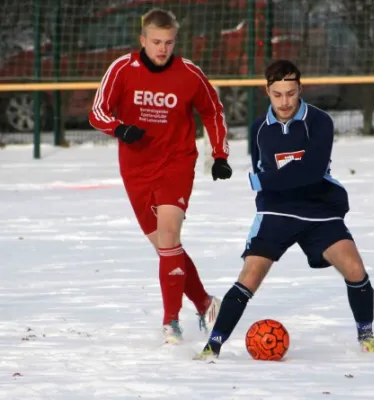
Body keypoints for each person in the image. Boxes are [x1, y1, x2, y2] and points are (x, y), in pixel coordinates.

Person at [194, 59, 374, 360]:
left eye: (291, 94)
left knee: (355, 268)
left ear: (300, 89)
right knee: (249, 276)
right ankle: (212, 346)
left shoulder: (320, 121)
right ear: (267, 91)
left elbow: (311, 171)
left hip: (319, 210)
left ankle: (366, 336)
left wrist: (264, 180)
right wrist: (270, 185)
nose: (285, 102)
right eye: (278, 94)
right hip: (276, 212)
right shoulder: (258, 129)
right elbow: (272, 179)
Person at [88, 8, 233, 344]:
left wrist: (220, 154)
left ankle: (171, 322)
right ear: (143, 40)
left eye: (168, 42)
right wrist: (119, 129)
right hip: (136, 170)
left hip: (176, 163)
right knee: (167, 248)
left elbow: (212, 111)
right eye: (156, 41)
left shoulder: (189, 74)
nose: (162, 48)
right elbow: (97, 113)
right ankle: (204, 302)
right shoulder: (122, 69)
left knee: (169, 235)